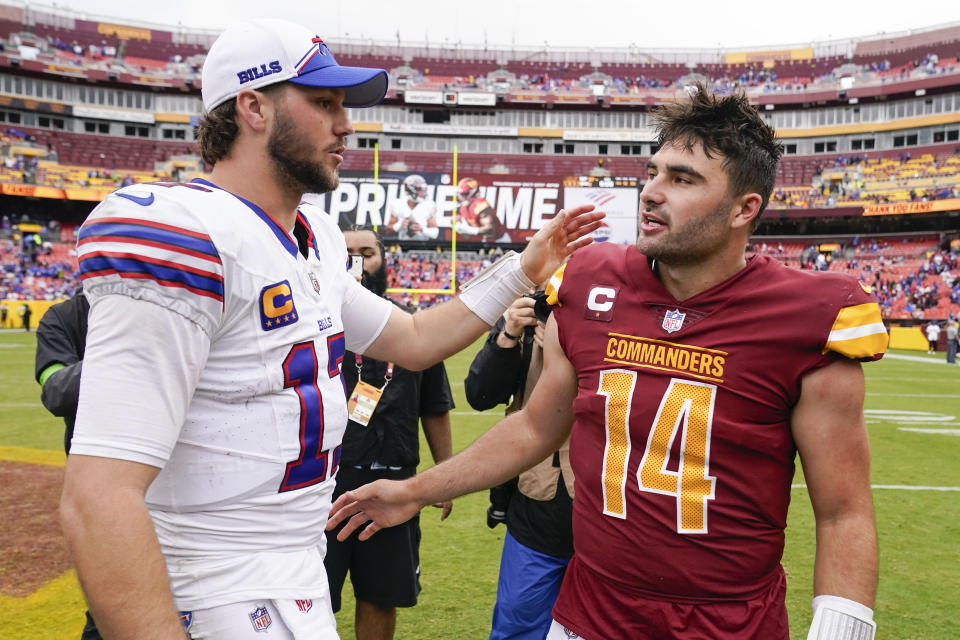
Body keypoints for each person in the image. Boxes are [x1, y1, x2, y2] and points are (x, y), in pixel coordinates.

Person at [58, 18, 603, 640]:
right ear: (252, 107)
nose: (345, 125)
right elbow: (98, 496)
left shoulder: (310, 238)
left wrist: (525, 269)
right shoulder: (186, 234)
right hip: (201, 587)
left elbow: (417, 340)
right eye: (323, 104)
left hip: (295, 573)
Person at [328, 85, 889, 640]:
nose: (651, 192)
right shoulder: (594, 280)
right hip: (589, 615)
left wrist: (842, 628)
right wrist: (414, 490)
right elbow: (534, 428)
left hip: (729, 623)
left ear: (745, 208)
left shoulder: (810, 315)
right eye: (655, 172)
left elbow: (843, 512)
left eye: (683, 179)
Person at [325, 227, 454, 640]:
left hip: (395, 481)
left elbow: (435, 406)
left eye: (367, 252)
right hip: (326, 481)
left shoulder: (413, 327)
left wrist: (444, 477)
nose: (358, 260)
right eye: (347, 253)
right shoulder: (315, 322)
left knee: (381, 595)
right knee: (312, 594)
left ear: (384, 261)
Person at [465, 293, 574, 640]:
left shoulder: (618, 322)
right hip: (533, 503)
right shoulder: (525, 321)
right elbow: (479, 395)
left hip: (602, 502)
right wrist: (509, 334)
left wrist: (573, 348)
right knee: (517, 625)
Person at [33, 289, 103, 640]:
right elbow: (56, 391)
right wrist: (125, 354)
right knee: (110, 609)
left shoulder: (166, 303)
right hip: (102, 485)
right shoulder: (61, 317)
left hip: (185, 482)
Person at [454, 177, 511, 242]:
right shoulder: (463, 209)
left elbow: (490, 229)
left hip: (500, 240)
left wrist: (468, 229)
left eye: (464, 194)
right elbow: (467, 236)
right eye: (460, 194)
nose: (462, 197)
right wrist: (461, 229)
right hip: (486, 241)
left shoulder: (479, 204)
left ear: (474, 193)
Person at [386, 174, 439, 240]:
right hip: (403, 246)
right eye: (419, 189)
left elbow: (435, 233)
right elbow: (388, 231)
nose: (422, 193)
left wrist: (422, 229)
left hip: (423, 246)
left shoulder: (429, 205)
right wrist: (400, 225)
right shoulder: (398, 204)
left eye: (423, 189)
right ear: (409, 189)